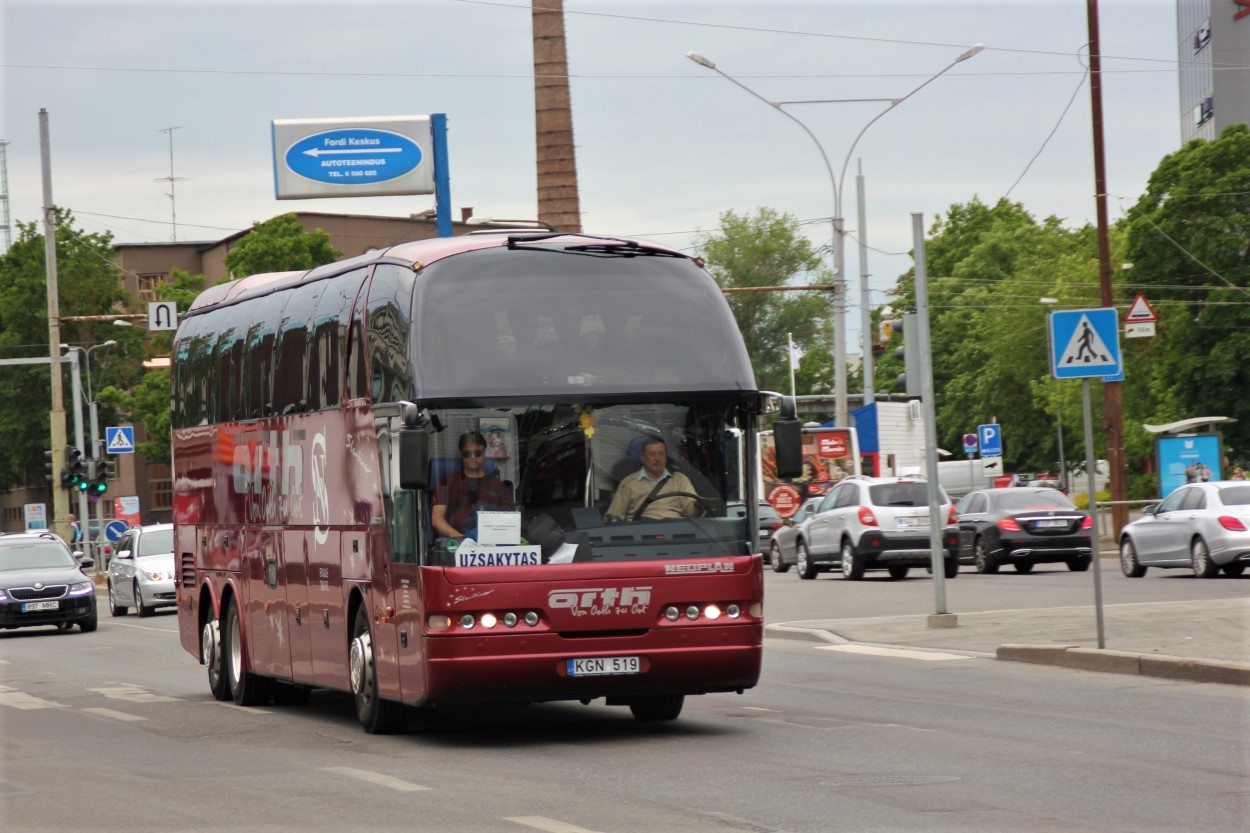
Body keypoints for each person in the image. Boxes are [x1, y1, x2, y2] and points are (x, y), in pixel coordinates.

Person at [432, 431, 514, 539]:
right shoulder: (447, 482)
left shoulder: (498, 486)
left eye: (477, 453)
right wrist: (458, 537)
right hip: (459, 543)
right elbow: (436, 518)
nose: (472, 457)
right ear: (461, 455)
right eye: (467, 454)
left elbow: (511, 521)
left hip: (493, 542)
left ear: (485, 452)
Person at [605, 436, 702, 522]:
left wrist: (700, 506)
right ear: (643, 457)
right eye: (652, 454)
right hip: (639, 532)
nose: (657, 458)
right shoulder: (628, 483)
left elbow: (692, 511)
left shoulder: (680, 479)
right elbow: (614, 517)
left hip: (674, 531)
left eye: (661, 454)